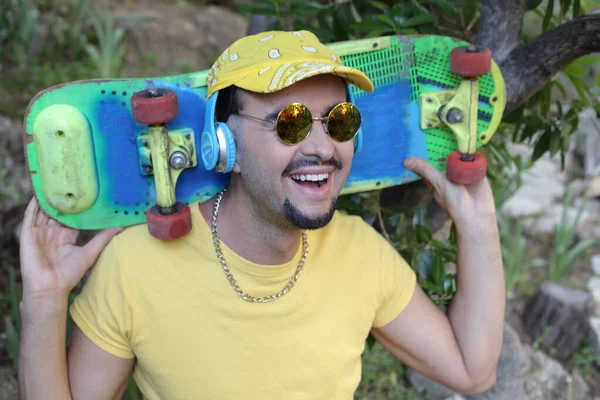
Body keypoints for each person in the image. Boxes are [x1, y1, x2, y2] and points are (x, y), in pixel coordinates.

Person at [18, 30, 505, 400]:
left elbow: (472, 370)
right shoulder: (135, 267)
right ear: (221, 144)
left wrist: (479, 226)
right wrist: (44, 298)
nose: (321, 146)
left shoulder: (361, 255)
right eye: (288, 123)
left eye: (339, 120)